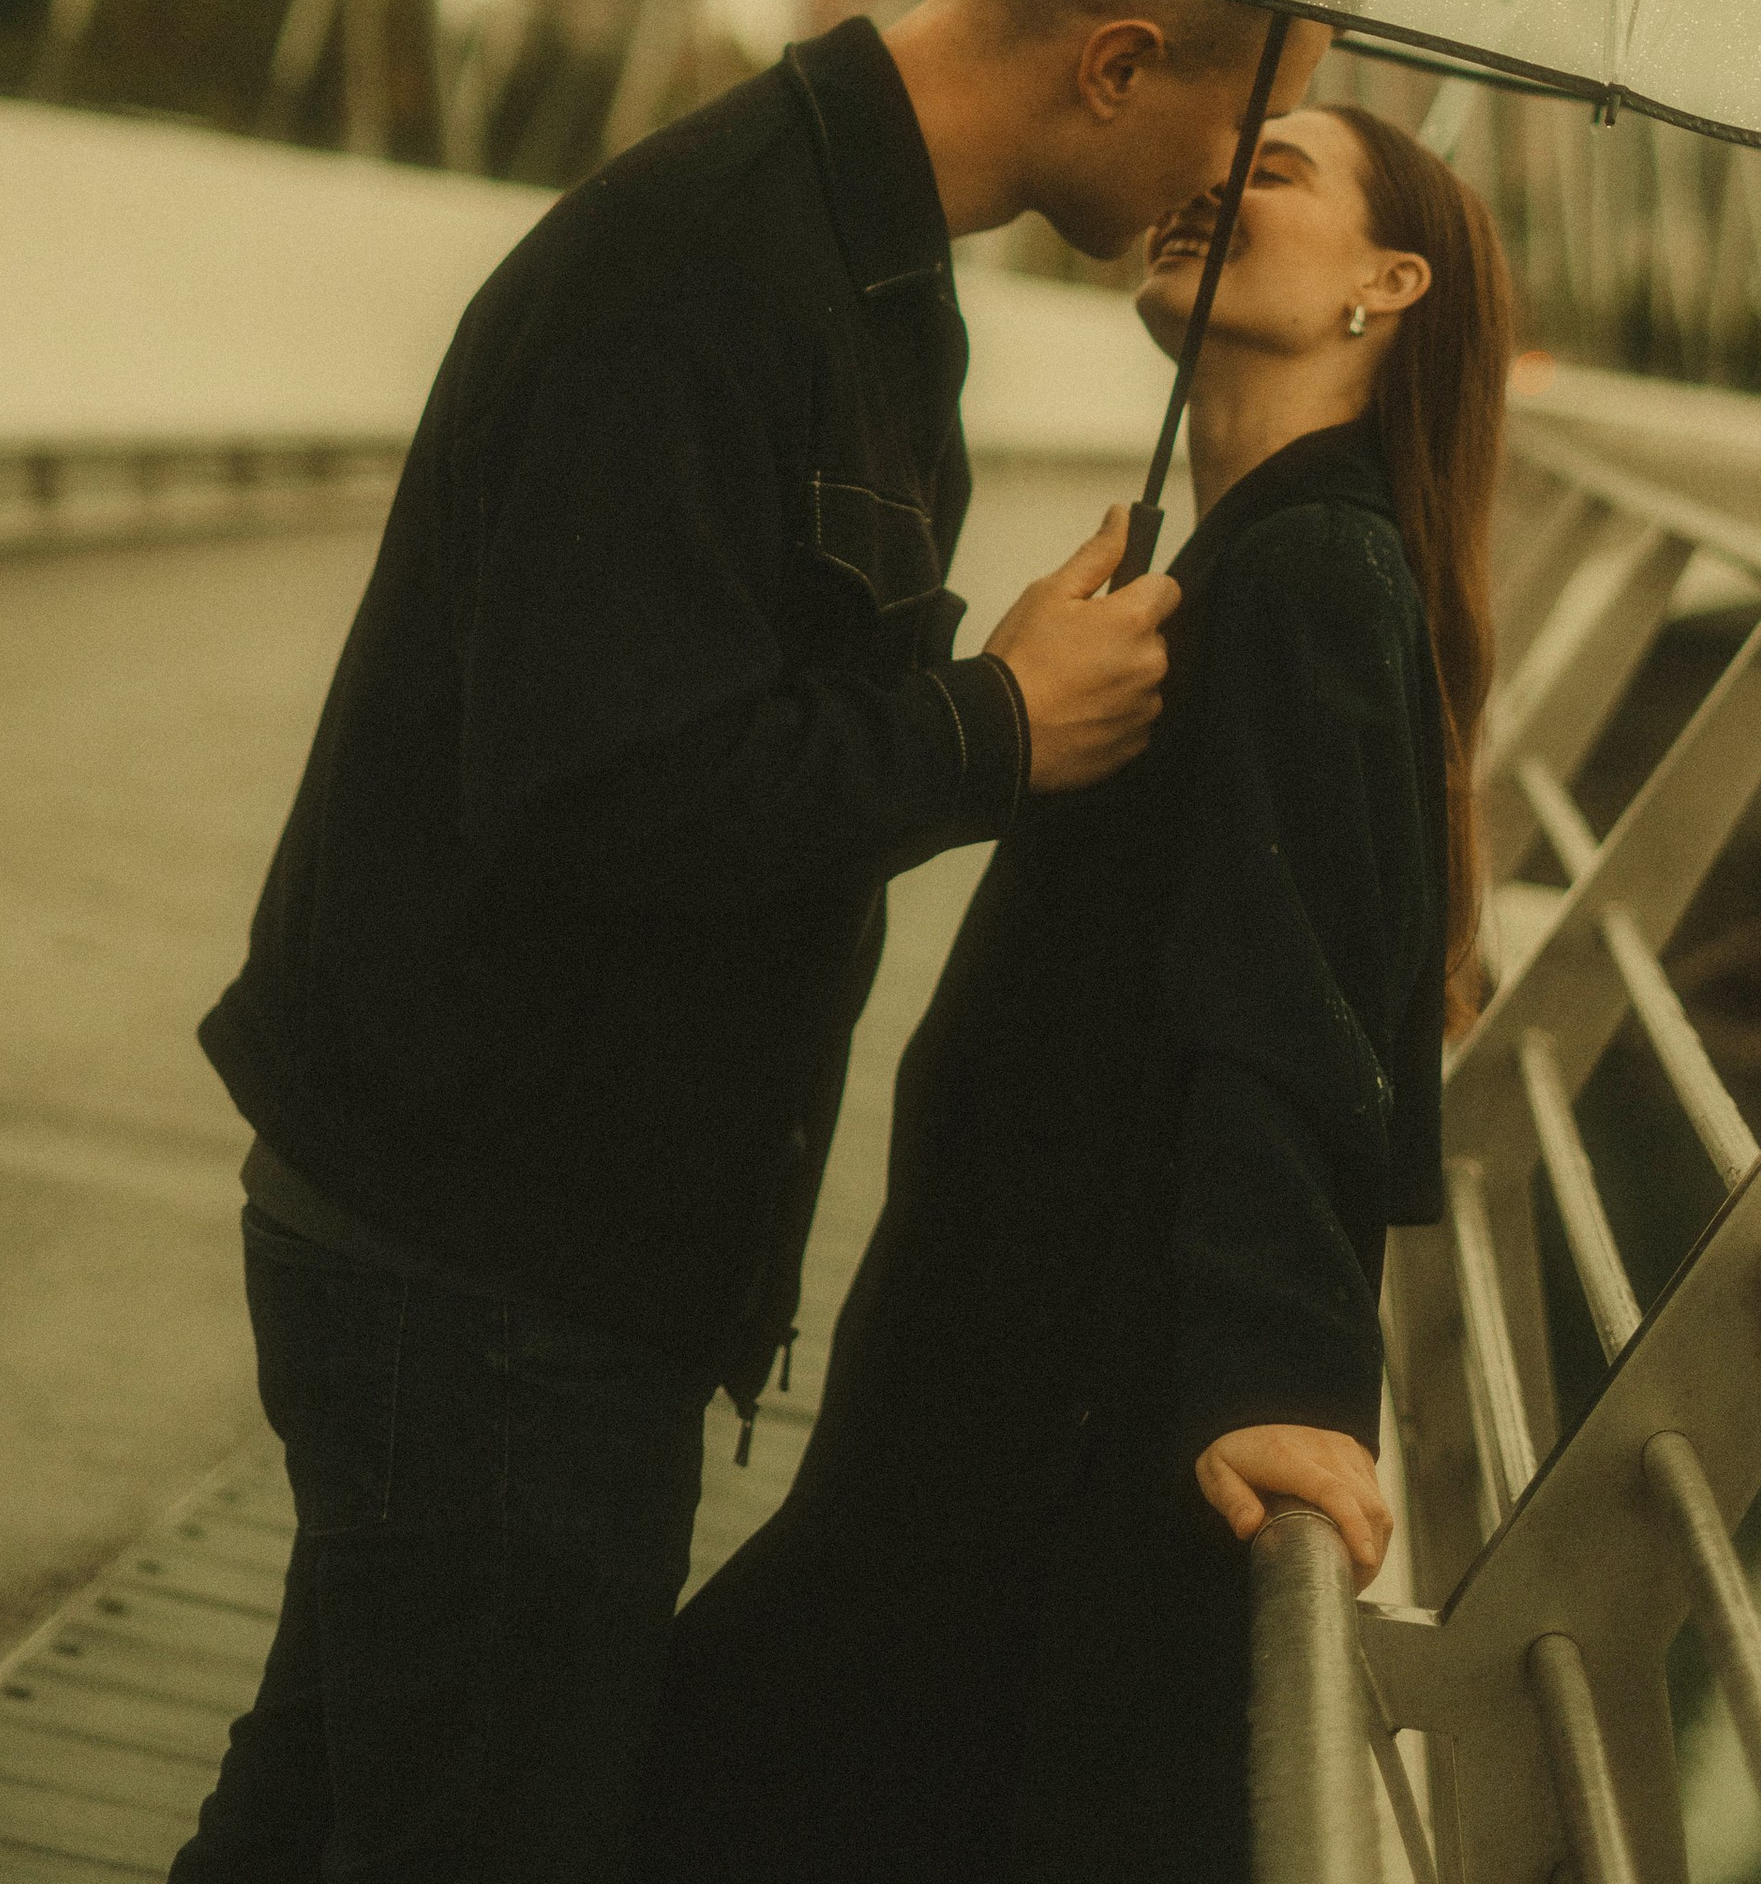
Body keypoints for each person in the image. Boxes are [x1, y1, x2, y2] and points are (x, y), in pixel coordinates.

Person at [169, 0, 1346, 1883]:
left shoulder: (872, 278)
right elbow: (598, 785)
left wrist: (987, 691)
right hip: (495, 1260)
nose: (1212, 186)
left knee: (321, 1825)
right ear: (1114, 63)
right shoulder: (708, 267)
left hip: (527, 1250)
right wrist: (992, 729)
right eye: (1236, 127)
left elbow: (727, 696)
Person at [637, 100, 1512, 1884]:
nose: (1213, 177)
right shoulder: (1238, 565)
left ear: (1388, 285)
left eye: (1277, 170)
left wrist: (1281, 1370)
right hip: (990, 1399)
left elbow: (1296, 1009)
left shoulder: (1313, 572)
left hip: (1051, 1434)